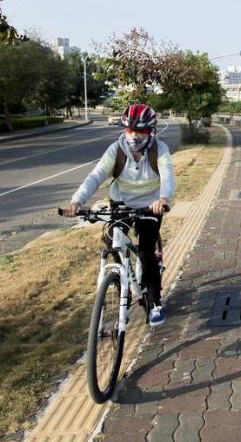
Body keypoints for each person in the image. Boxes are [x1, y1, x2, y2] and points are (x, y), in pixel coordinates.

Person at [62, 103, 175, 326]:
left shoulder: (159, 149)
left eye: (140, 131)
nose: (134, 136)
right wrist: (76, 201)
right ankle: (122, 275)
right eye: (129, 130)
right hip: (121, 203)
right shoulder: (116, 149)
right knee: (112, 239)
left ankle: (154, 303)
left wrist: (163, 199)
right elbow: (95, 176)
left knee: (145, 252)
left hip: (150, 205)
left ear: (151, 130)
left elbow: (168, 175)